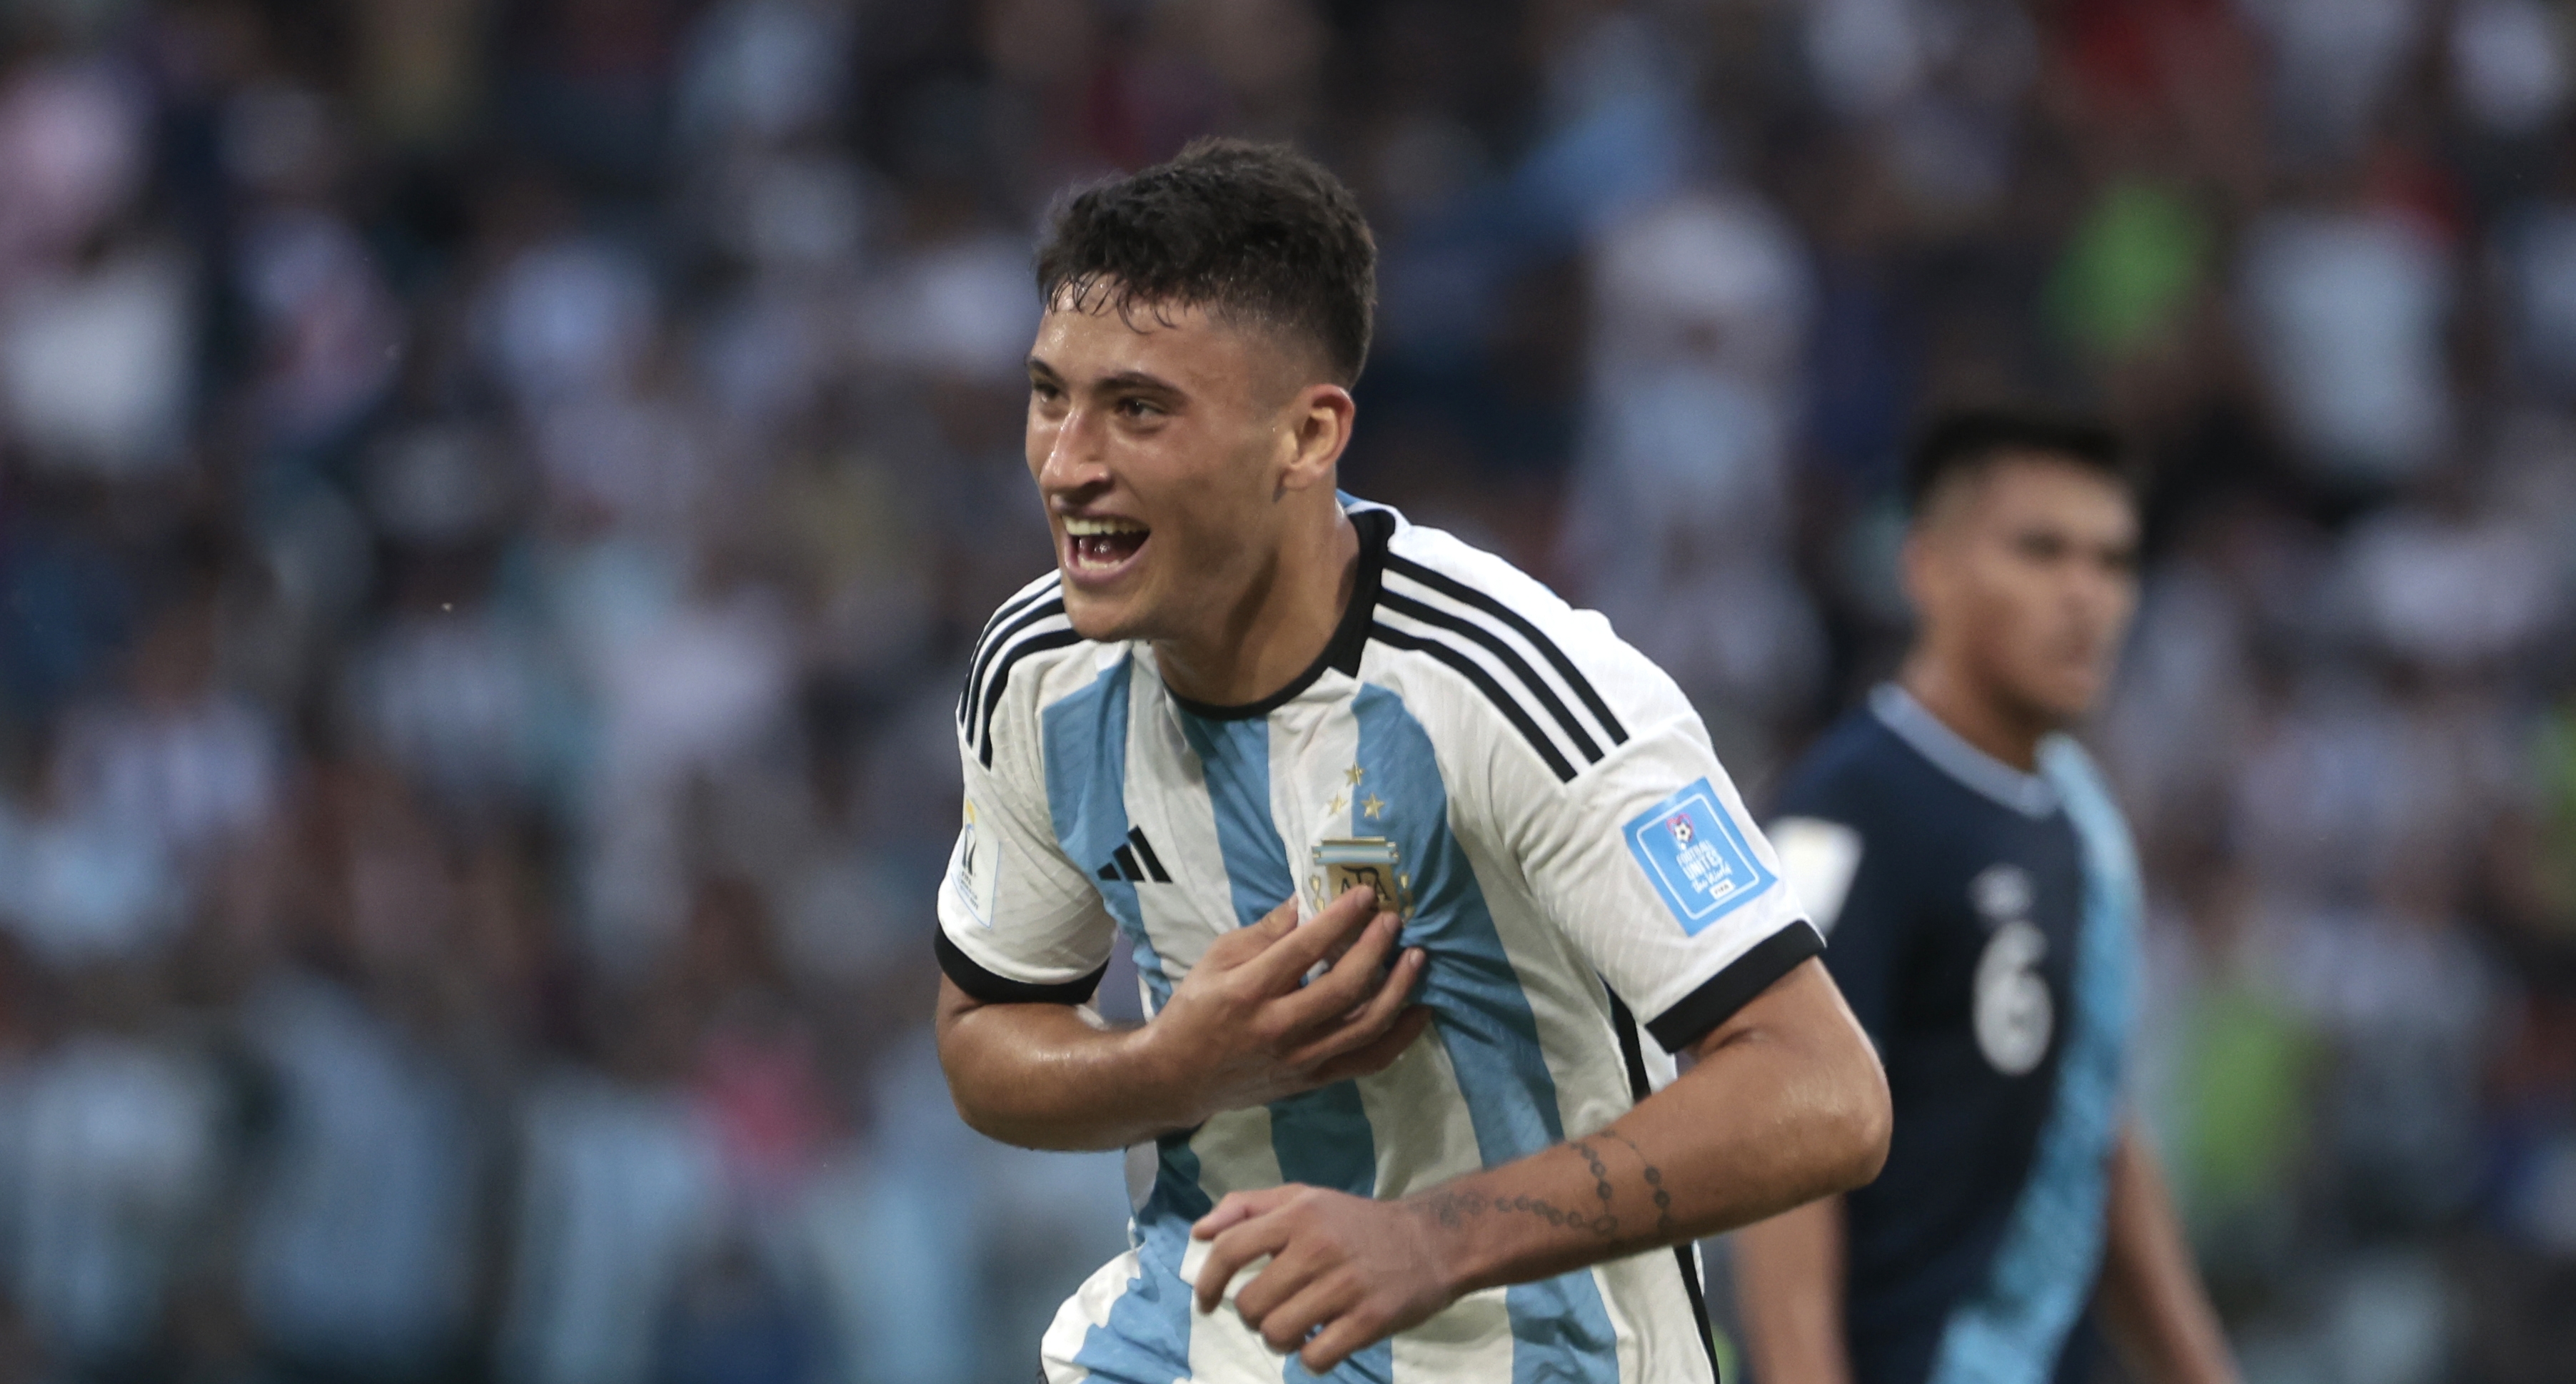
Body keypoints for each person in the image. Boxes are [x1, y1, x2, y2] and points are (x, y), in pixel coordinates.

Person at [931, 138, 1891, 1383]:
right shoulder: (1038, 671)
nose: (1067, 464)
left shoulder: (1510, 688)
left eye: (1139, 409)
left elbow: (1823, 1091)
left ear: (1308, 434)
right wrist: (1168, 1067)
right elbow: (987, 1031)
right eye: (1051, 394)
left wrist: (1430, 1241)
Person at [1731, 412, 2238, 1384]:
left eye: (2113, 560)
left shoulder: (2082, 817)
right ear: (1929, 569)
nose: (2085, 596)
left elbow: (2090, 1120)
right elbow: (1775, 1125)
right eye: (2042, 552)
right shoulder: (1847, 811)